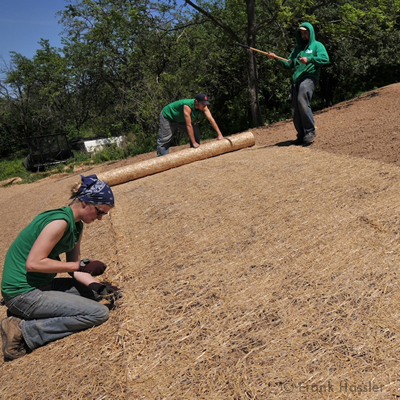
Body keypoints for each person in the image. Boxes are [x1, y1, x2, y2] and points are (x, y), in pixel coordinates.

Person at [0, 174, 120, 361]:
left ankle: (26, 315)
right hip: (22, 293)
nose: (100, 219)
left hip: (41, 285)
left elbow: (75, 269)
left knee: (96, 295)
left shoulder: (76, 226)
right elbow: (33, 263)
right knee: (98, 313)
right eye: (99, 212)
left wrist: (96, 286)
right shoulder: (59, 223)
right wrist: (80, 265)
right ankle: (23, 330)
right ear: (85, 203)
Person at [268, 22, 329, 145]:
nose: (303, 36)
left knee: (302, 97)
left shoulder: (317, 46)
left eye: (306, 33)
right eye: (302, 33)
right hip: (297, 79)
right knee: (295, 107)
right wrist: (276, 59)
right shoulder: (298, 49)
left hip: (309, 78)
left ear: (310, 33)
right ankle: (301, 134)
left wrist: (310, 59)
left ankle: (310, 131)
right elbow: (289, 64)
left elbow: (325, 59)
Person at [157, 93, 224, 156]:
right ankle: (161, 159)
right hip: (168, 116)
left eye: (206, 103)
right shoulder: (187, 106)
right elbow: (188, 125)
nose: (205, 105)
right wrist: (194, 142)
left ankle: (194, 152)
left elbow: (211, 119)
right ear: (196, 102)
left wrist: (219, 134)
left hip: (180, 118)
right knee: (164, 139)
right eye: (203, 103)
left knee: (195, 131)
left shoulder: (204, 107)